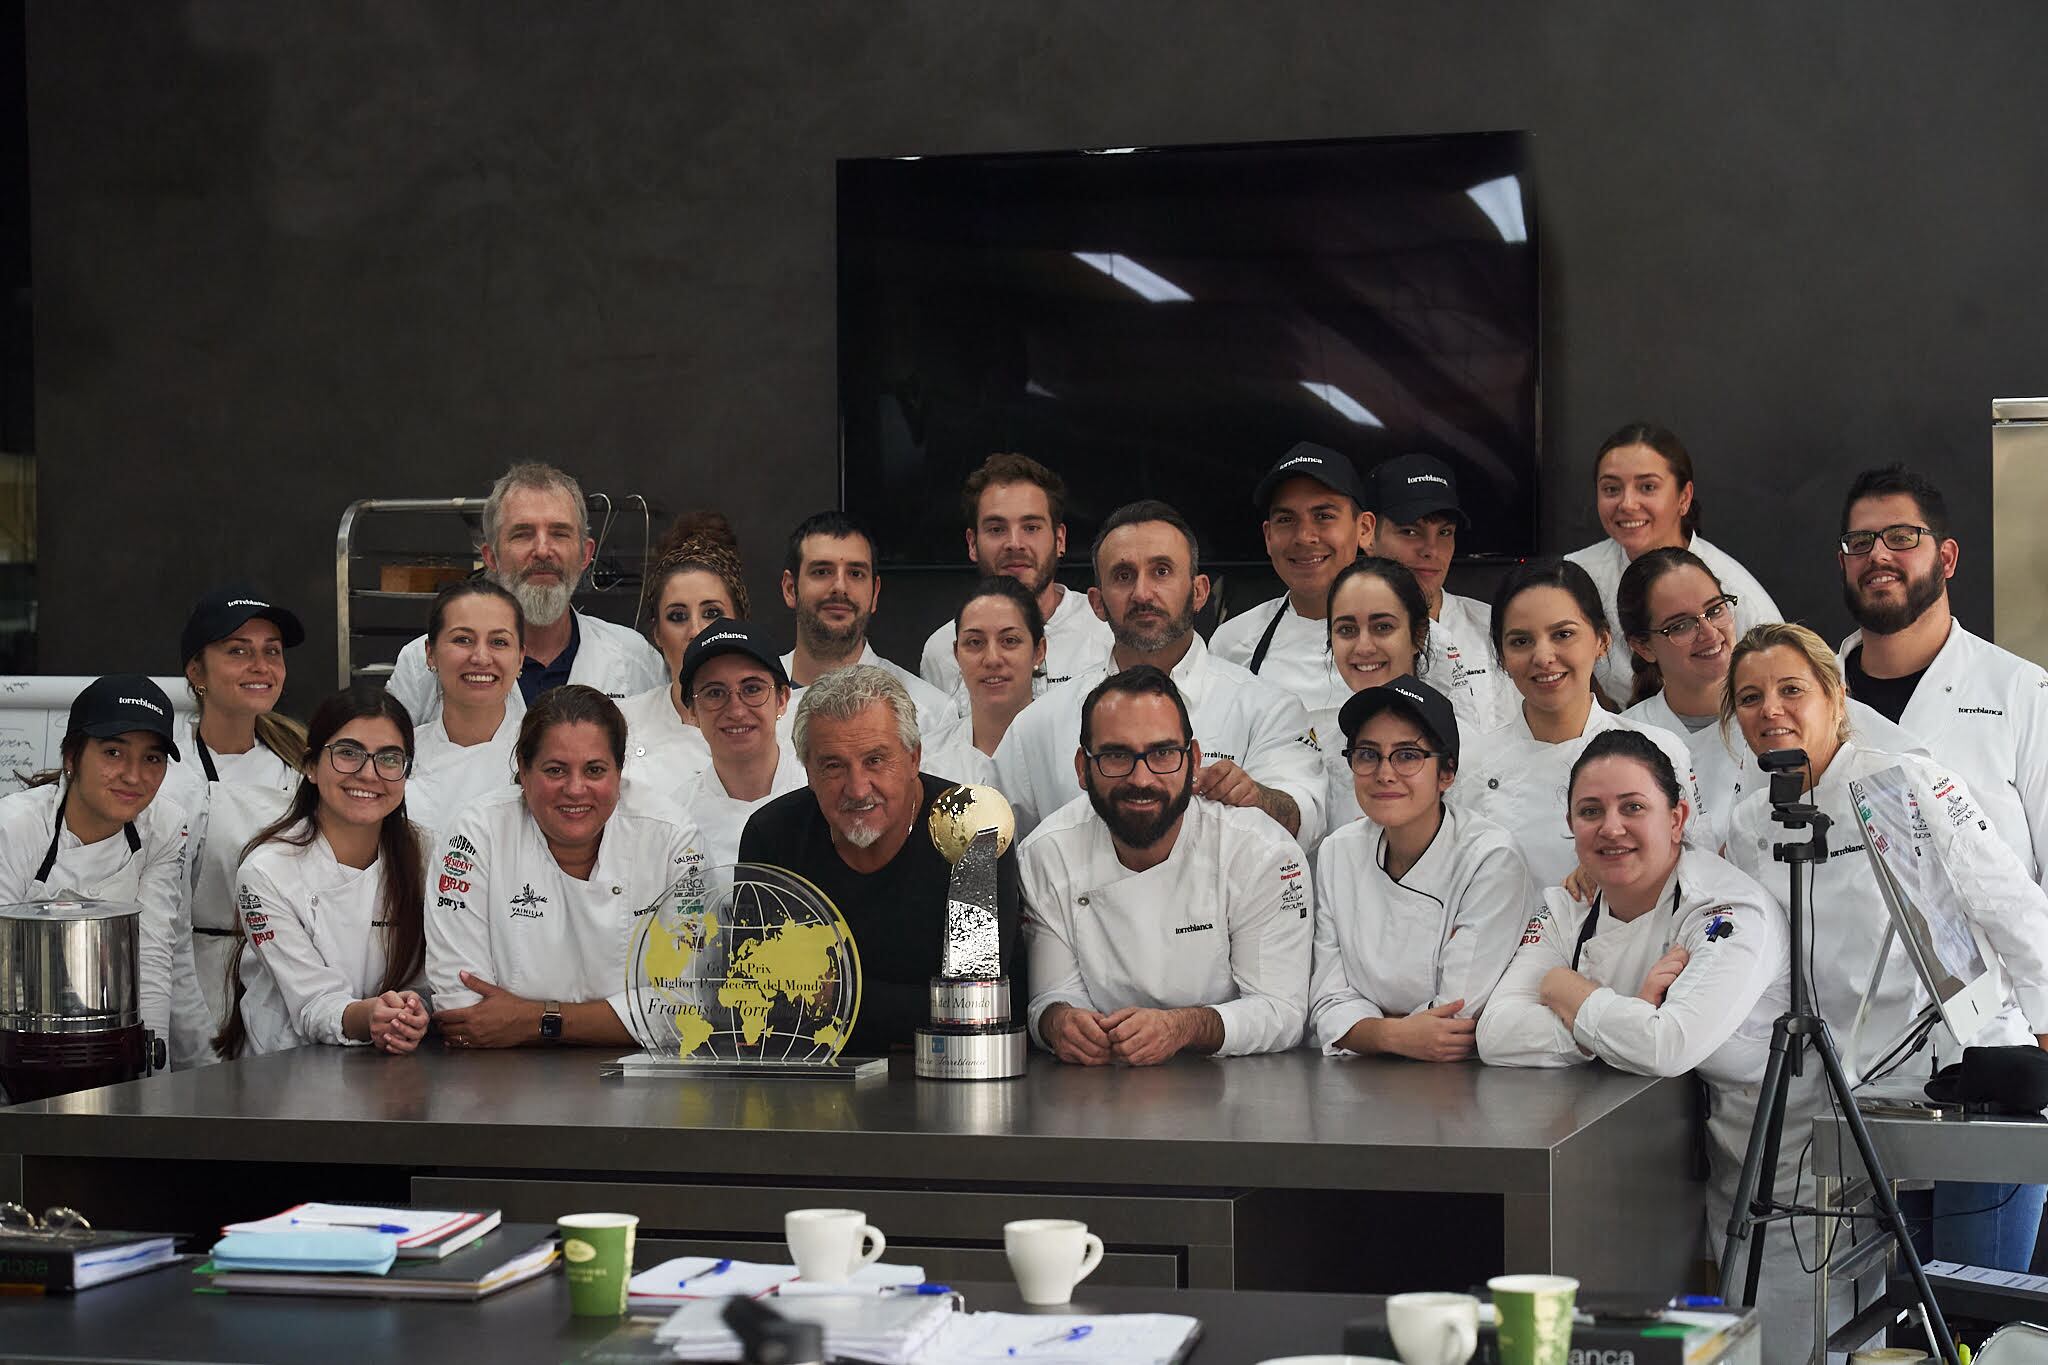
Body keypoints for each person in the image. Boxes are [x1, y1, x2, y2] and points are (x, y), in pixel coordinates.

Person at [1722, 623, 2048, 1293]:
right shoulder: (1750, 821)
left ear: (1835, 697)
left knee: (1971, 1312)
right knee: (1893, 1322)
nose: (1770, 710)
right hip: (1862, 1109)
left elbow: (2012, 907)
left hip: (1971, 1086)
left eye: (1791, 689)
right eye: (1749, 697)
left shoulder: (1902, 782)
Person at [1476, 731, 1789, 1315]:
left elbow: (1668, 1046)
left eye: (1633, 807)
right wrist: (1629, 1011)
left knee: (1781, 1340)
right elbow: (1497, 1033)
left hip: (1779, 1156)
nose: (1610, 827)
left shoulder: (1725, 911)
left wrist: (1569, 989)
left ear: (1678, 818)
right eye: (1590, 812)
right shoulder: (1568, 905)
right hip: (1670, 1156)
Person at [1021, 666, 1311, 1064]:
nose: (1141, 778)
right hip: (1096, 1092)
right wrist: (1059, 1023)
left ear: (1193, 759)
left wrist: (1183, 1028)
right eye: (1116, 756)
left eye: (1162, 754)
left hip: (1235, 1094)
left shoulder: (1259, 851)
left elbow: (1282, 1011)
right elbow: (1050, 995)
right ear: (1082, 768)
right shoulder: (1047, 854)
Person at [993, 500, 1324, 844]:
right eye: (1123, 576)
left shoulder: (1266, 709)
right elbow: (994, 842)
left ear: (1199, 592)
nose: (1142, 593)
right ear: (1097, 602)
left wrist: (1258, 797)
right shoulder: (1039, 724)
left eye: (1162, 571)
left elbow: (1306, 815)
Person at [737, 666, 1022, 1056]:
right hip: (813, 1077)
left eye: (875, 760)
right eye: (833, 766)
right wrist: (907, 1007)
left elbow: (975, 1010)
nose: (857, 788)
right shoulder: (771, 836)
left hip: (950, 1077)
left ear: (914, 758)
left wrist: (833, 995)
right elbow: (759, 1001)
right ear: (807, 770)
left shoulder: (968, 830)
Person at [426, 684, 702, 1048]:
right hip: (499, 1082)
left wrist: (536, 1020)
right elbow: (462, 1015)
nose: (575, 789)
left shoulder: (672, 839)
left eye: (595, 770)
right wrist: (613, 1019)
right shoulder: (475, 836)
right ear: (523, 772)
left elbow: (684, 1007)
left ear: (620, 773)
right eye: (555, 770)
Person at [1617, 548, 1916, 855]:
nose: (1708, 633)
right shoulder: (1625, 738)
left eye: (1715, 610)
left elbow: (1914, 780)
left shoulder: (1815, 708)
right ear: (1642, 646)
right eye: (1680, 625)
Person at [1835, 464, 2048, 888]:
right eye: (1860, 542)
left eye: (1901, 537)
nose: (1877, 555)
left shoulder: (2022, 691)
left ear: (1946, 559)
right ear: (1842, 564)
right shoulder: (1807, 699)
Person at [1310, 678, 1533, 1059]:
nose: (1384, 773)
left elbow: (1454, 1017)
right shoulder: (1338, 852)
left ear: (1446, 773)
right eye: (1367, 754)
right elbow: (1328, 1001)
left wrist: (1366, 1027)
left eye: (1408, 755)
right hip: (1363, 1083)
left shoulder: (1489, 859)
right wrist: (1392, 1036)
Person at [1458, 559, 1700, 890]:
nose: (1543, 656)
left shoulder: (1658, 750)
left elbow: (1690, 875)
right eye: (1520, 641)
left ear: (1601, 641)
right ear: (1500, 655)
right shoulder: (1467, 767)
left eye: (1563, 634)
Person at [215, 685, 430, 1059]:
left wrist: (413, 1011)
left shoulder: (428, 856)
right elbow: (313, 1003)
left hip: (399, 1072)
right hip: (285, 1074)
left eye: (390, 759)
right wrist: (374, 1016)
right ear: (311, 766)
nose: (368, 773)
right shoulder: (266, 872)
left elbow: (440, 980)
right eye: (348, 753)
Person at [385, 462, 666, 727]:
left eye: (559, 533)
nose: (543, 550)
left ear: (585, 555)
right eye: (522, 534)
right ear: (491, 557)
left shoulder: (635, 660)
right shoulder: (422, 665)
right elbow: (386, 764)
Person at [158, 585, 310, 1069]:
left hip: (285, 984)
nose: (260, 665)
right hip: (194, 983)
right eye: (237, 651)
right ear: (196, 671)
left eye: (271, 652)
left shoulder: (305, 767)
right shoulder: (163, 771)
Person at [0, 676, 189, 1057]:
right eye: (113, 753)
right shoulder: (14, 826)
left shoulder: (163, 827)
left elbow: (150, 955)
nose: (134, 776)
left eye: (152, 758)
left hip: (109, 1034)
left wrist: (149, 1064)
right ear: (72, 758)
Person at [1565, 423, 1781, 700]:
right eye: (1611, 489)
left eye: (1647, 487)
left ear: (1684, 497)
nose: (1627, 503)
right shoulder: (1574, 578)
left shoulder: (1738, 595)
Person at [1314, 558, 1503, 830]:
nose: (1363, 646)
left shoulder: (1468, 754)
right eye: (1347, 630)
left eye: (1383, 627)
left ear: (1418, 635)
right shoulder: (1323, 754)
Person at [917, 453, 1112, 709]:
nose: (1014, 544)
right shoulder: (942, 650)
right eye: (996, 529)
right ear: (972, 543)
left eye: (1031, 527)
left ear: (1060, 539)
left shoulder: (1107, 631)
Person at [1208, 442, 1374, 713]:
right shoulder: (1231, 642)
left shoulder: (1415, 637)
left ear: (1364, 529)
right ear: (1268, 537)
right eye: (1286, 519)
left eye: (1323, 516)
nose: (1304, 537)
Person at [1364, 453, 1517, 728]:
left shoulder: (1496, 626)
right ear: (1367, 534)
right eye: (1410, 531)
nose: (1431, 550)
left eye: (1445, 533)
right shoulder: (1341, 639)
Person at [778, 510, 952, 723]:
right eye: (822, 571)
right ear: (789, 589)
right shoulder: (752, 702)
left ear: (875, 593)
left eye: (855, 573)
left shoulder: (928, 712)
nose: (840, 587)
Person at [655, 623, 803, 868]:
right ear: (692, 711)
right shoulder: (674, 821)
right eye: (715, 693)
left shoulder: (820, 796)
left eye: (752, 689)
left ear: (782, 699)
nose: (736, 711)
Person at [616, 511, 747, 779]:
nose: (695, 631)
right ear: (657, 634)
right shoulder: (621, 722)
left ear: (740, 622)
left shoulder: (782, 722)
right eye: (678, 616)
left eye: (712, 613)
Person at [406, 581, 524, 838]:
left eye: (499, 642)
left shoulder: (541, 757)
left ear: (520, 658)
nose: (481, 657)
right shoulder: (400, 757)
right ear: (430, 653)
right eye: (463, 639)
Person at [920, 577, 1046, 789]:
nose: (992, 659)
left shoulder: (1069, 749)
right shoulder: (925, 762)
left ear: (1039, 651)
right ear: (956, 654)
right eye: (975, 642)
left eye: (1009, 641)